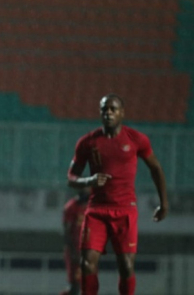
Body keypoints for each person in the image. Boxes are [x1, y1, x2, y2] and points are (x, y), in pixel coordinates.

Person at [67, 94, 169, 295]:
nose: (109, 113)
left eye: (113, 109)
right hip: (96, 211)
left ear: (122, 112)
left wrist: (164, 203)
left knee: (126, 266)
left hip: (125, 211)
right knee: (87, 263)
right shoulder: (87, 142)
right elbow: (71, 178)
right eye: (105, 109)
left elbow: (155, 168)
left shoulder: (136, 139)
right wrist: (89, 181)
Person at [60, 188, 91, 295]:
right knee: (75, 286)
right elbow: (67, 232)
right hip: (74, 252)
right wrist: (73, 252)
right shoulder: (71, 207)